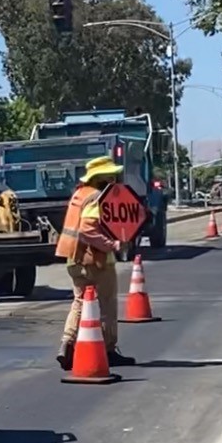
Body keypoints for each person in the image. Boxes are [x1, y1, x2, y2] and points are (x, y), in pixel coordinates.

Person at [54, 156, 138, 370]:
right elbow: (88, 229)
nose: (114, 179)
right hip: (95, 261)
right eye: (111, 175)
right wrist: (113, 245)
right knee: (107, 305)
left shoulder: (79, 194)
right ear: (101, 177)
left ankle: (67, 344)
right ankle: (108, 350)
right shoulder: (97, 198)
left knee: (80, 302)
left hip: (74, 259)